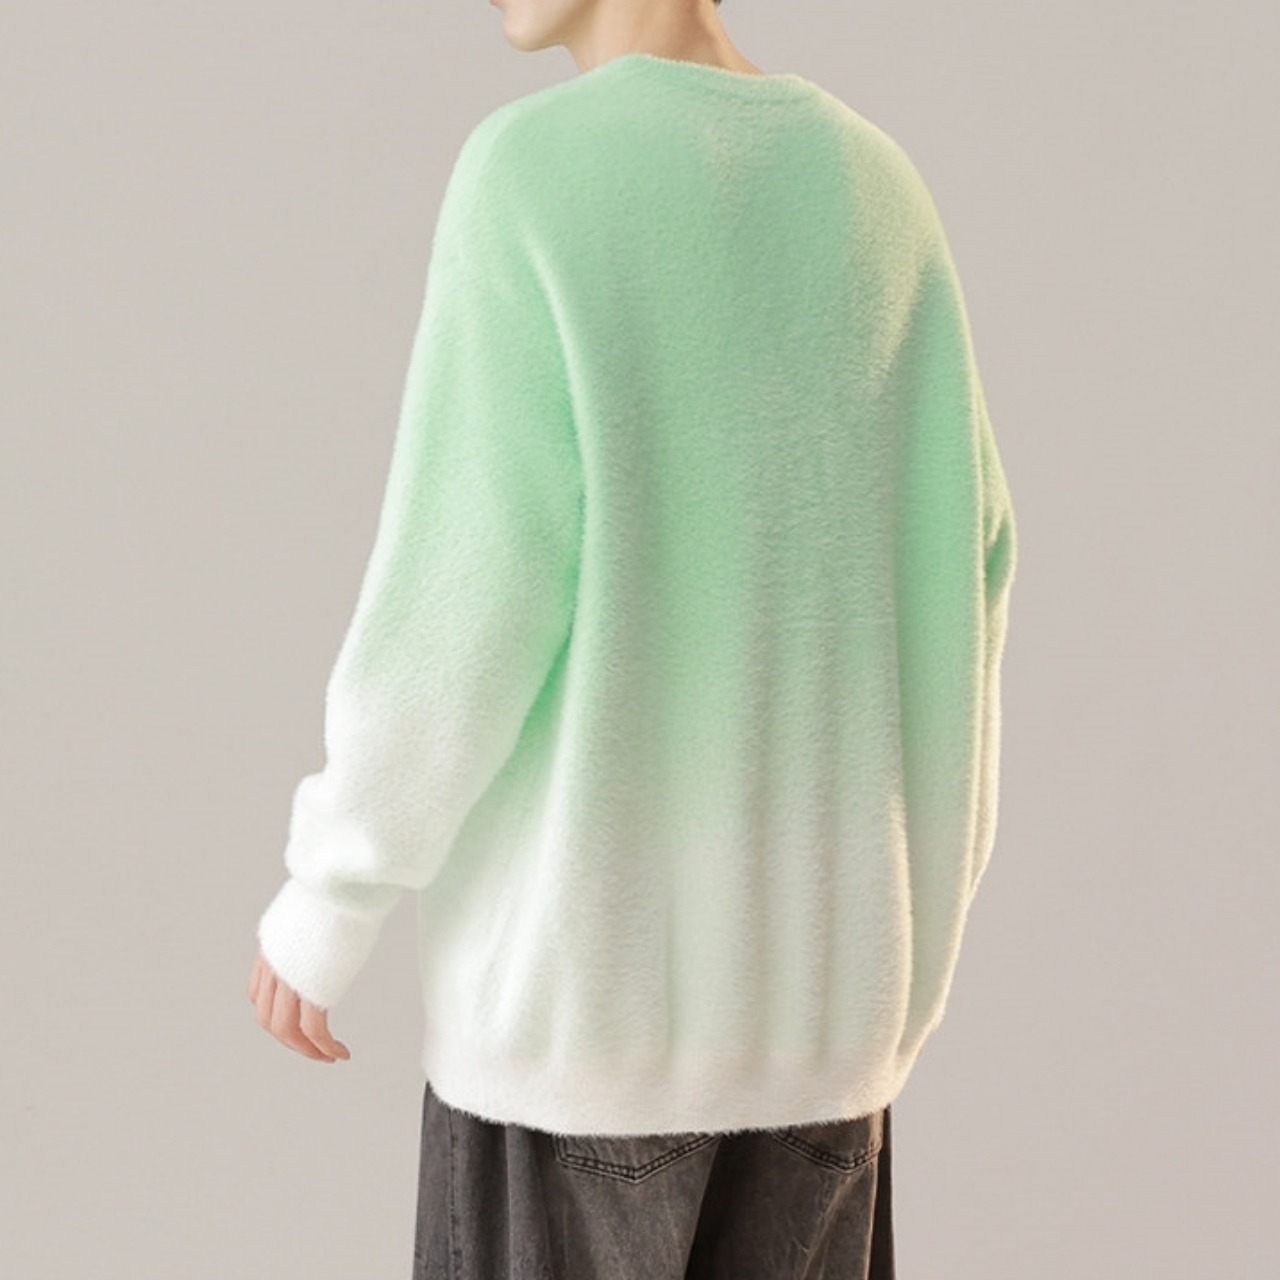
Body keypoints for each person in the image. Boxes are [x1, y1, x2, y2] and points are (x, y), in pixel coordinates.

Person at [247, 1, 1020, 1276]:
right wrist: (897, 961)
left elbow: (464, 589)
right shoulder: (877, 190)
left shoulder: (533, 176)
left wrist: (332, 889)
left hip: (585, 1038)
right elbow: (966, 583)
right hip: (826, 1049)